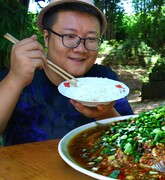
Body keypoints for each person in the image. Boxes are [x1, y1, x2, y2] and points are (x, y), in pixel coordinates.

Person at [0, 0, 133, 146]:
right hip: (27, 168)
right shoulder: (17, 77)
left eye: (91, 39)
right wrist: (15, 79)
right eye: (70, 36)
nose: (81, 49)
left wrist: (105, 113)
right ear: (46, 37)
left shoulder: (106, 81)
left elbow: (133, 139)